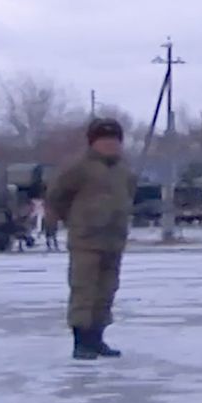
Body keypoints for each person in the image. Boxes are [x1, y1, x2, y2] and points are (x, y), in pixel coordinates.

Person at [45, 117, 137, 360]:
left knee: (106, 291)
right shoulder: (78, 168)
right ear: (93, 142)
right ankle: (81, 342)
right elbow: (57, 197)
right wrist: (69, 220)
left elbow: (129, 196)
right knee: (84, 290)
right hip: (86, 240)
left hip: (114, 240)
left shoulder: (124, 171)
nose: (110, 145)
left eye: (114, 140)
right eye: (104, 140)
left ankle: (97, 338)